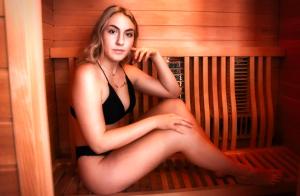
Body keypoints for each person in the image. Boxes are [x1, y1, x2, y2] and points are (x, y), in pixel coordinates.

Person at [70, 5, 281, 195]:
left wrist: (156, 58)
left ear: (134, 40)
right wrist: (156, 122)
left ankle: (218, 163)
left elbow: (172, 92)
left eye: (128, 34)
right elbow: (98, 144)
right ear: (101, 34)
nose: (120, 41)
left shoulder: (126, 71)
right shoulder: (87, 74)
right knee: (177, 133)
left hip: (118, 152)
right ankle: (240, 171)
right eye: (112, 31)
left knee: (175, 106)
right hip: (99, 171)